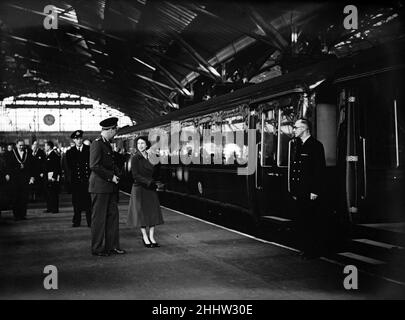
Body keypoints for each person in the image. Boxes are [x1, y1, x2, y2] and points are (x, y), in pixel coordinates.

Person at [289, 118, 326, 259]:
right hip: (301, 191)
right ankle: (305, 249)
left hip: (310, 192)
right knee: (303, 221)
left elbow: (319, 170)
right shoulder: (300, 145)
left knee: (311, 222)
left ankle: (311, 251)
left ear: (304, 128)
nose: (294, 130)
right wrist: (295, 190)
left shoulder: (315, 146)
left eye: (296, 127)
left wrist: (315, 191)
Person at [89, 117, 126, 256]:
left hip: (109, 187)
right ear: (110, 130)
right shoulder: (97, 144)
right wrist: (111, 176)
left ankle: (112, 246)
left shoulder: (106, 144)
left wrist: (117, 173)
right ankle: (97, 248)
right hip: (99, 188)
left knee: (113, 217)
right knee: (99, 219)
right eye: (115, 130)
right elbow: (94, 165)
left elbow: (109, 163)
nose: (115, 132)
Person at [127, 136, 164, 248]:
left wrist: (156, 182)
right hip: (140, 188)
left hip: (150, 188)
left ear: (147, 145)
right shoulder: (135, 158)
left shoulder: (152, 157)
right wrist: (149, 183)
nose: (140, 145)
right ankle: (145, 237)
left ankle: (152, 237)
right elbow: (135, 175)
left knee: (152, 213)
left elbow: (157, 171)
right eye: (138, 143)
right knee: (142, 213)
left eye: (142, 143)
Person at [66, 130, 91, 227]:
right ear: (74, 140)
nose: (79, 140)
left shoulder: (89, 149)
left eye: (80, 138)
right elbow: (69, 168)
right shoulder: (70, 152)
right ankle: (76, 221)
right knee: (76, 203)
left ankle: (90, 221)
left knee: (88, 203)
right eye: (77, 139)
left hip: (87, 181)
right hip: (76, 182)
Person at [4, 139, 35, 220]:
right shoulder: (11, 154)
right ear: (17, 145)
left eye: (23, 145)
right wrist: (8, 174)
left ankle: (23, 214)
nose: (22, 147)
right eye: (20, 145)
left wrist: (32, 176)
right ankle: (16, 215)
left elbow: (32, 166)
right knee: (16, 197)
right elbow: (8, 166)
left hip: (25, 179)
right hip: (15, 179)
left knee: (24, 197)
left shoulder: (28, 153)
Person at [44, 140, 61, 214]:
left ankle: (55, 208)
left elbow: (57, 167)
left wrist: (54, 176)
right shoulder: (47, 154)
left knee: (53, 193)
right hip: (47, 176)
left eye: (45, 146)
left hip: (53, 176)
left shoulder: (54, 154)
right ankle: (50, 207)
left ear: (48, 146)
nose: (44, 147)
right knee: (48, 193)